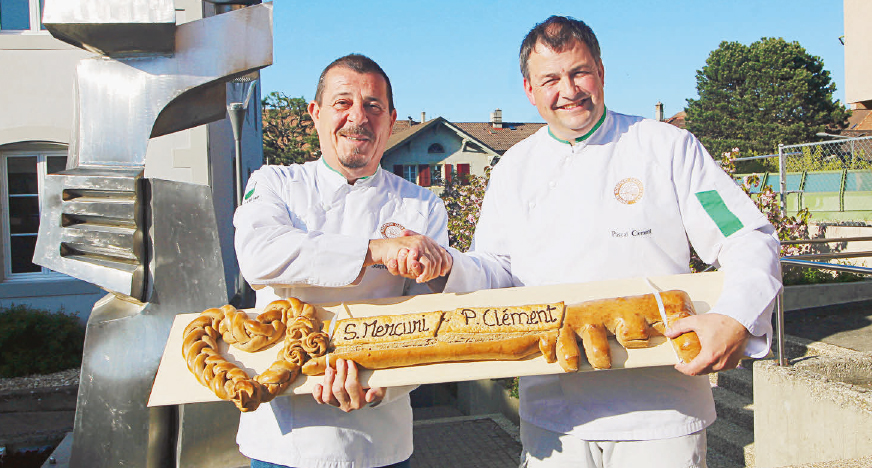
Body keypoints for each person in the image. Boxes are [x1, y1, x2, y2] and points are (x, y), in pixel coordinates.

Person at [399, 16, 781, 468]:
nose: (569, 90)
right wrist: (449, 267)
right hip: (551, 416)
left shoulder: (668, 147)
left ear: (600, 71)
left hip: (661, 412)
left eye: (579, 72)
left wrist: (735, 317)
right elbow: (496, 268)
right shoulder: (513, 169)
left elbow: (745, 235)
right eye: (551, 79)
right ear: (529, 90)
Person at [233, 53, 453, 468]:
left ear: (391, 120)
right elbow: (259, 257)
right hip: (283, 441)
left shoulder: (422, 205)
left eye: (373, 106)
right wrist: (375, 250)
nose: (358, 117)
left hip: (381, 437)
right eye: (343, 103)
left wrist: (382, 384)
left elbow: (432, 321)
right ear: (315, 113)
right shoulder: (274, 183)